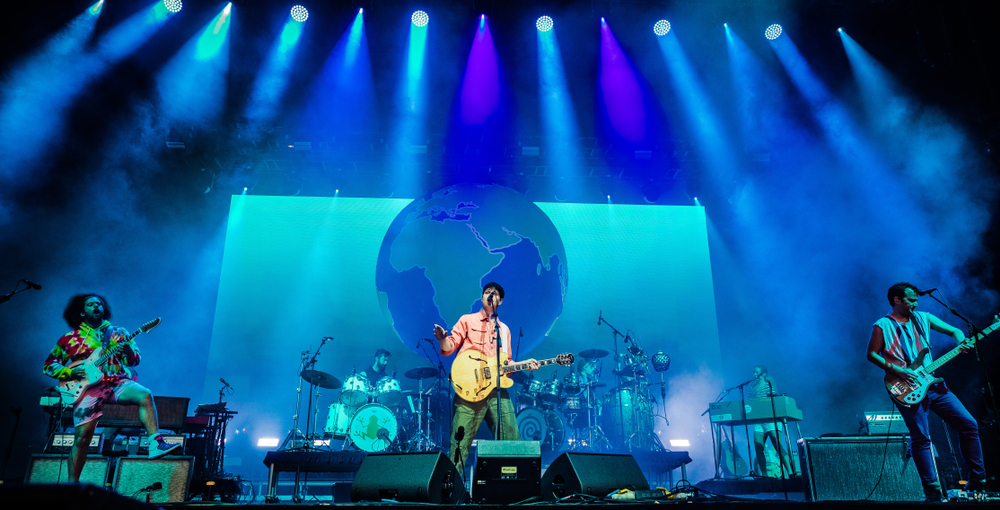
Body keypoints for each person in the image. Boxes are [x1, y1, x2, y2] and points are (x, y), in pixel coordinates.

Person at [866, 282, 990, 501]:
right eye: (911, 300)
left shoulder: (924, 318)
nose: (915, 304)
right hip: (906, 386)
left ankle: (977, 479)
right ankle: (931, 488)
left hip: (934, 384)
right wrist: (899, 371)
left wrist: (961, 342)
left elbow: (954, 330)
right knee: (921, 437)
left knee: (969, 424)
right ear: (897, 300)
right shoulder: (882, 325)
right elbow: (872, 354)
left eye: (917, 300)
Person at [43, 294, 181, 482]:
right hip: (87, 390)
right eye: (91, 304)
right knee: (82, 440)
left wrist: (129, 352)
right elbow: (49, 365)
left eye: (99, 304)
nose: (96, 306)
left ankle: (155, 443)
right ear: (82, 312)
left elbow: (135, 361)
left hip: (116, 382)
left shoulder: (119, 333)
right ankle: (72, 485)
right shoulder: (71, 338)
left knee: (145, 395)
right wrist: (70, 372)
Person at [433, 282, 538, 468]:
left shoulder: (504, 330)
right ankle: (453, 485)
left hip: (496, 390)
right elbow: (449, 347)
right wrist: (442, 339)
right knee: (459, 445)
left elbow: (506, 364)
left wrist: (524, 365)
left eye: (495, 293)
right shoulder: (467, 320)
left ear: (501, 301)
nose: (490, 295)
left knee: (511, 440)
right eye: (487, 292)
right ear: (482, 297)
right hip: (469, 390)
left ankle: (509, 484)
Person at [747, 365, 792, 478]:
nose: (754, 374)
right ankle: (765, 475)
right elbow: (749, 403)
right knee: (758, 446)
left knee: (777, 445)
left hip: (771, 419)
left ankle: (791, 472)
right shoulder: (752, 387)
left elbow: (773, 399)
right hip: (759, 420)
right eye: (753, 372)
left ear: (763, 373)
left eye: (757, 372)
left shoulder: (769, 384)